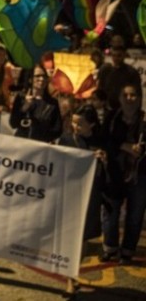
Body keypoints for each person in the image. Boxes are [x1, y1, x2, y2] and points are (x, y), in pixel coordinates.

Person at [55, 104, 107, 294]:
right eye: (73, 122)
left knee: (83, 239)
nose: (75, 127)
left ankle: (73, 275)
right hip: (70, 195)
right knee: (71, 239)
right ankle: (71, 279)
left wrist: (103, 160)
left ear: (91, 125)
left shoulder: (99, 142)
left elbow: (109, 173)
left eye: (80, 124)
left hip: (90, 197)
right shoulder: (66, 139)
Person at [100, 83, 145, 265]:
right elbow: (104, 140)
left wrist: (141, 149)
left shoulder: (144, 120)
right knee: (110, 212)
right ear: (119, 98)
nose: (129, 99)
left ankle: (127, 251)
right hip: (115, 172)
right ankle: (110, 247)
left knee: (135, 214)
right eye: (125, 95)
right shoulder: (112, 118)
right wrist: (124, 146)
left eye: (133, 95)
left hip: (140, 174)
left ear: (140, 98)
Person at [8, 65, 62, 143]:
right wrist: (24, 108)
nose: (41, 79)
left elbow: (57, 130)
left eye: (44, 76)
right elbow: (13, 123)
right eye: (37, 76)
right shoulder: (21, 98)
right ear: (30, 79)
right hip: (20, 143)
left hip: (39, 147)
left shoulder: (52, 103)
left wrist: (41, 135)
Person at [96, 43, 140, 111]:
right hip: (106, 108)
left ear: (124, 55)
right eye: (114, 55)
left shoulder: (131, 72)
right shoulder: (105, 70)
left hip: (124, 109)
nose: (116, 58)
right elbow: (99, 88)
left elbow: (137, 94)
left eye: (119, 55)